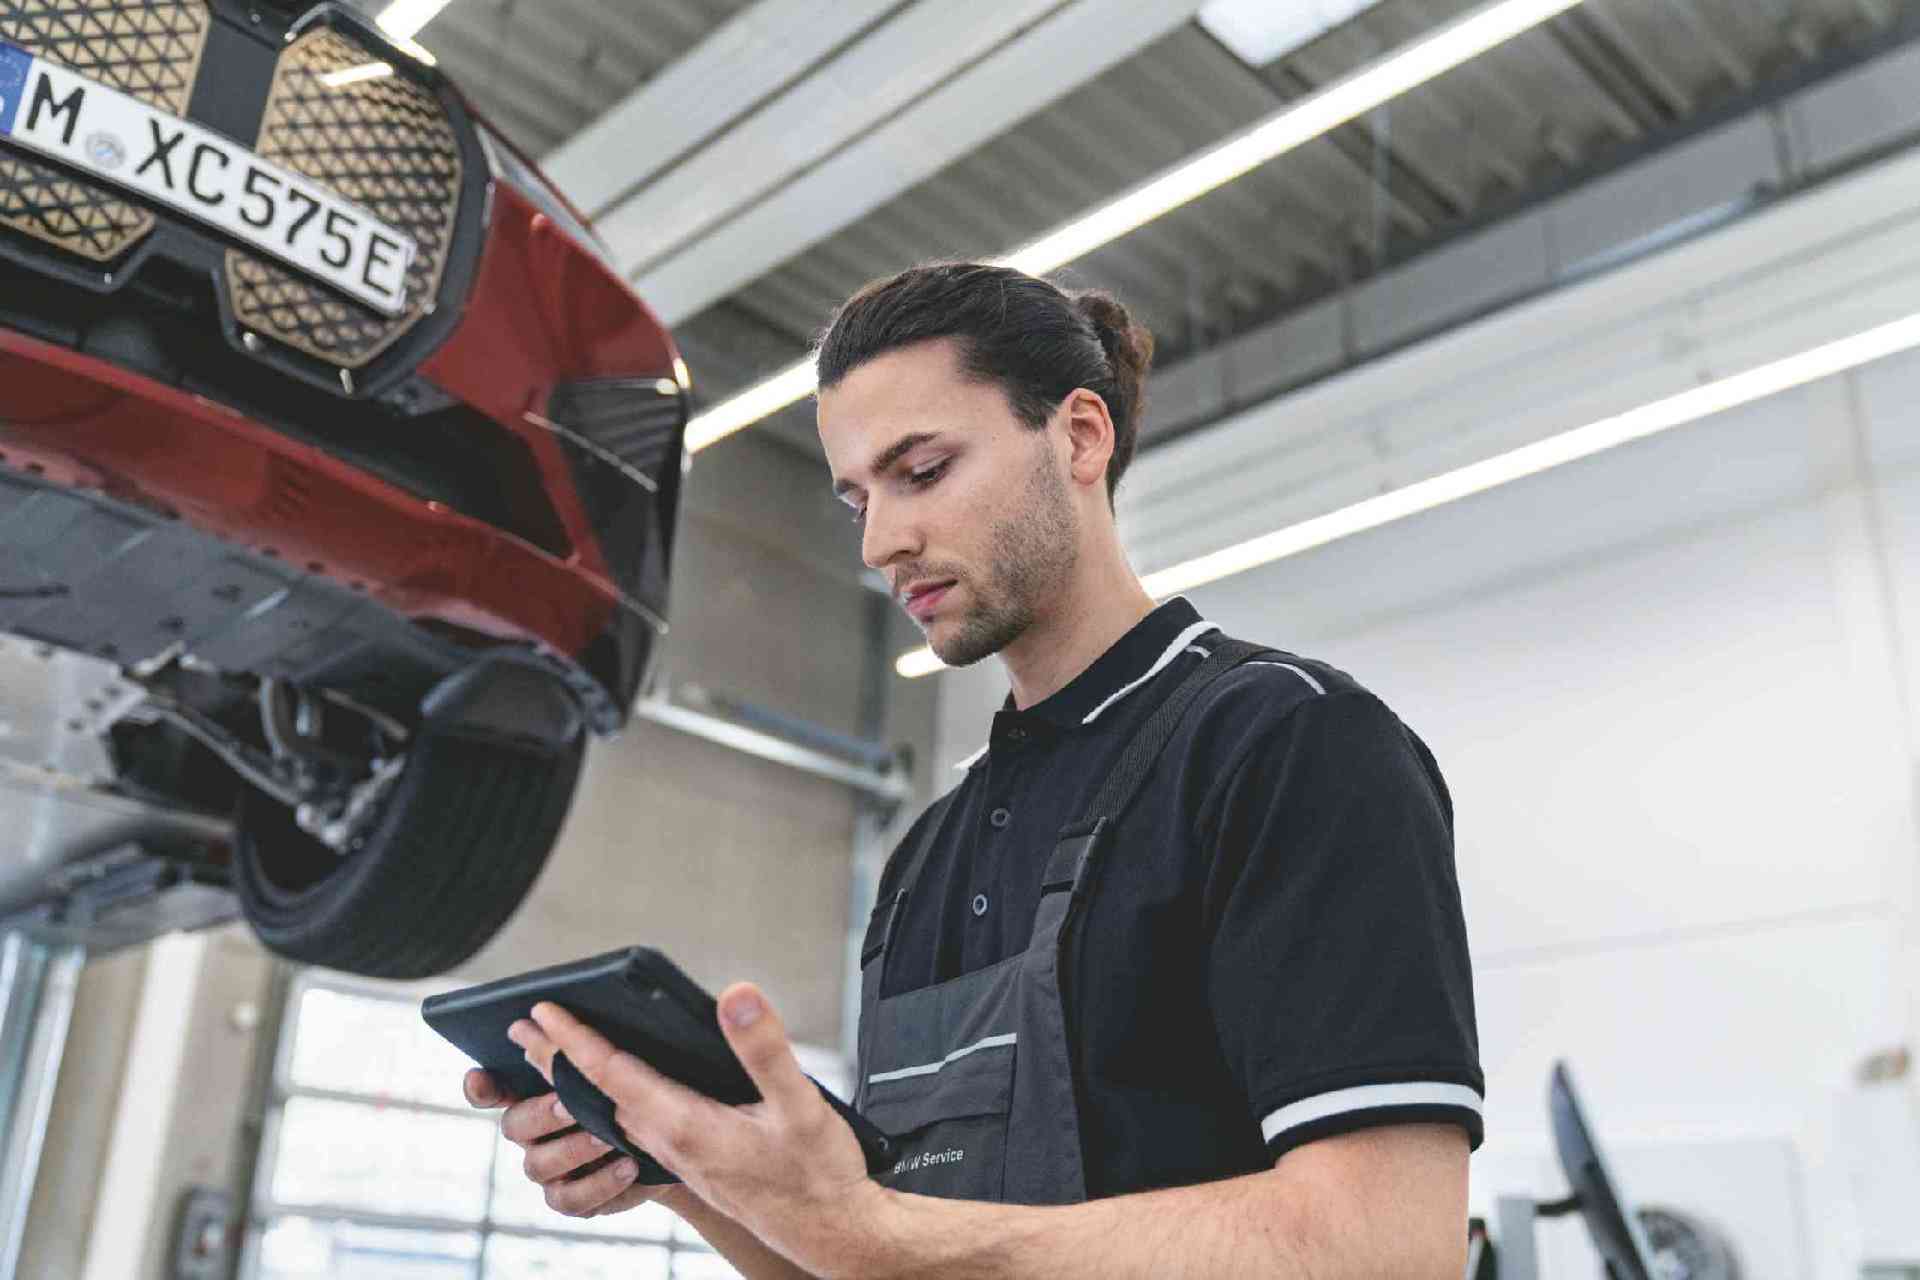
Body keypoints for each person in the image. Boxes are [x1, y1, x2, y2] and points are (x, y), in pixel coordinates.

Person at [463, 261, 1483, 1277]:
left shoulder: (1287, 748)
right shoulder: (923, 858)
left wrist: (871, 1232)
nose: (879, 541)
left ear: (1080, 436)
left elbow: (1387, 1247)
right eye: (857, 496)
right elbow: (876, 1260)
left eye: (923, 470)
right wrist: (683, 1164)